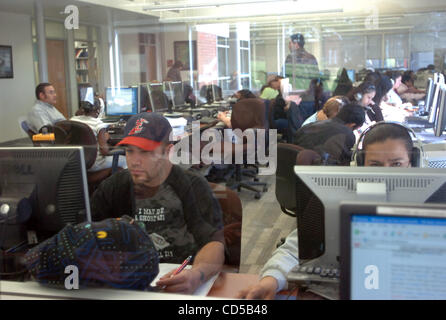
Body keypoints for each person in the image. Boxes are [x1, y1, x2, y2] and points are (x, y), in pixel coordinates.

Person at [237, 122, 416, 299]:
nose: (386, 175)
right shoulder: (337, 199)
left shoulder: (433, 208)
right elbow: (295, 250)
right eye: (375, 165)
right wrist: (271, 280)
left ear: (412, 163)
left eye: (397, 164)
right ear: (361, 164)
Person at [90, 112, 225, 294]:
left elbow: (214, 244)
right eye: (129, 151)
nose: (134, 161)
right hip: (129, 283)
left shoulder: (192, 186)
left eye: (145, 152)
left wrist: (196, 275)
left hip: (178, 278)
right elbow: (89, 235)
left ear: (168, 151)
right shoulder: (114, 187)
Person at [293, 103, 366, 166]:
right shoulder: (347, 134)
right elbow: (346, 161)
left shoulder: (309, 125)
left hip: (294, 168)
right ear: (352, 125)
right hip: (321, 175)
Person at [70, 99, 127, 172]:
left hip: (76, 163)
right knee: (125, 161)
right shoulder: (98, 124)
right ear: (98, 110)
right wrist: (105, 140)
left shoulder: (72, 120)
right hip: (95, 164)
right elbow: (104, 151)